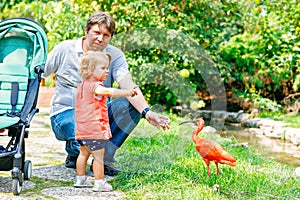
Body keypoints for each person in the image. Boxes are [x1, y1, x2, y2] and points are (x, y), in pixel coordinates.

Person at [43, 11, 170, 175]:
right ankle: (74, 152)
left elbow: (128, 85)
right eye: (96, 32)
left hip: (97, 114)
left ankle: (104, 159)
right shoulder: (64, 49)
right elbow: (38, 73)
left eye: (106, 35)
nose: (100, 38)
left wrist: (148, 112)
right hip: (66, 113)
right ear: (86, 30)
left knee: (130, 104)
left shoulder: (114, 55)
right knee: (80, 136)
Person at [74, 51, 138, 191]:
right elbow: (110, 92)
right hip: (94, 130)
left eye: (107, 68)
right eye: (103, 68)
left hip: (82, 129)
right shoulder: (97, 87)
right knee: (98, 158)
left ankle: (80, 178)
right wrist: (127, 92)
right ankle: (99, 182)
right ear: (90, 70)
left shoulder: (81, 86)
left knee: (83, 154)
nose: (107, 71)